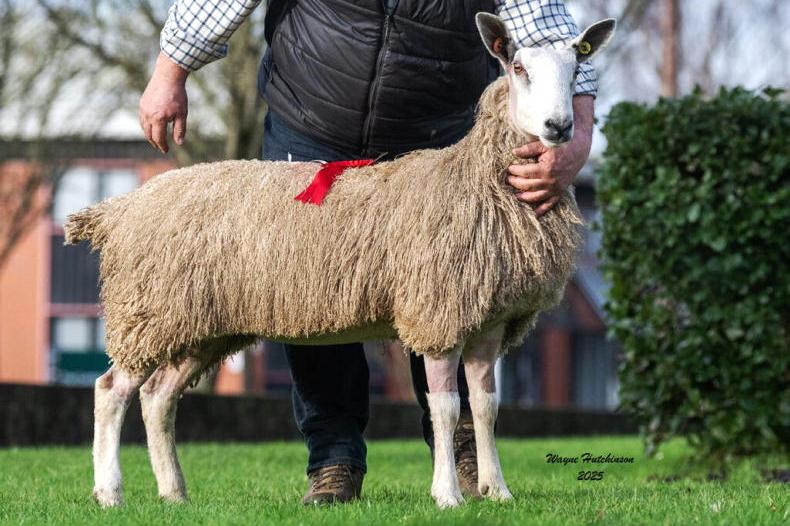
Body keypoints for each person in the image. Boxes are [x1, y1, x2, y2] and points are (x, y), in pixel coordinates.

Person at [139, 0, 597, 505]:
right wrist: (170, 70)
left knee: (460, 291)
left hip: (438, 139)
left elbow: (549, 33)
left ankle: (467, 452)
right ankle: (333, 459)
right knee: (307, 291)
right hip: (313, 123)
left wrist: (576, 139)